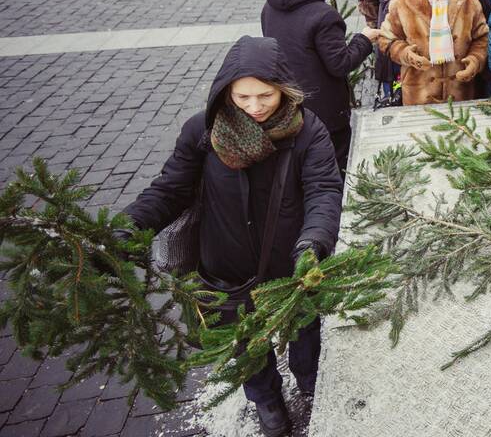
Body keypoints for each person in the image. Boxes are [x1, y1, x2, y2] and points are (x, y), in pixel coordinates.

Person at [123, 35, 342, 437]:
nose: (255, 107)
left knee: (305, 332)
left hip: (292, 267)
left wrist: (314, 242)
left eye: (265, 95)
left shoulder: (309, 132)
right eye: (243, 97)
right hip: (225, 270)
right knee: (245, 345)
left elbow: (323, 190)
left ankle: (310, 378)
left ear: (284, 90)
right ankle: (267, 401)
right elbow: (170, 190)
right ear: (226, 92)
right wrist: (129, 226)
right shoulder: (202, 132)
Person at [261, 0, 381, 173]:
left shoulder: (270, 6)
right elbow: (340, 64)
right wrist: (364, 39)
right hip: (325, 109)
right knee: (333, 164)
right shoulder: (323, 15)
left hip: (288, 101)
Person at [378, 0, 490, 106]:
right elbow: (386, 39)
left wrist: (475, 60)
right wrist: (406, 53)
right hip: (418, 96)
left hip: (460, 95)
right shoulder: (402, 4)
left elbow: (482, 38)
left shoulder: (470, 2)